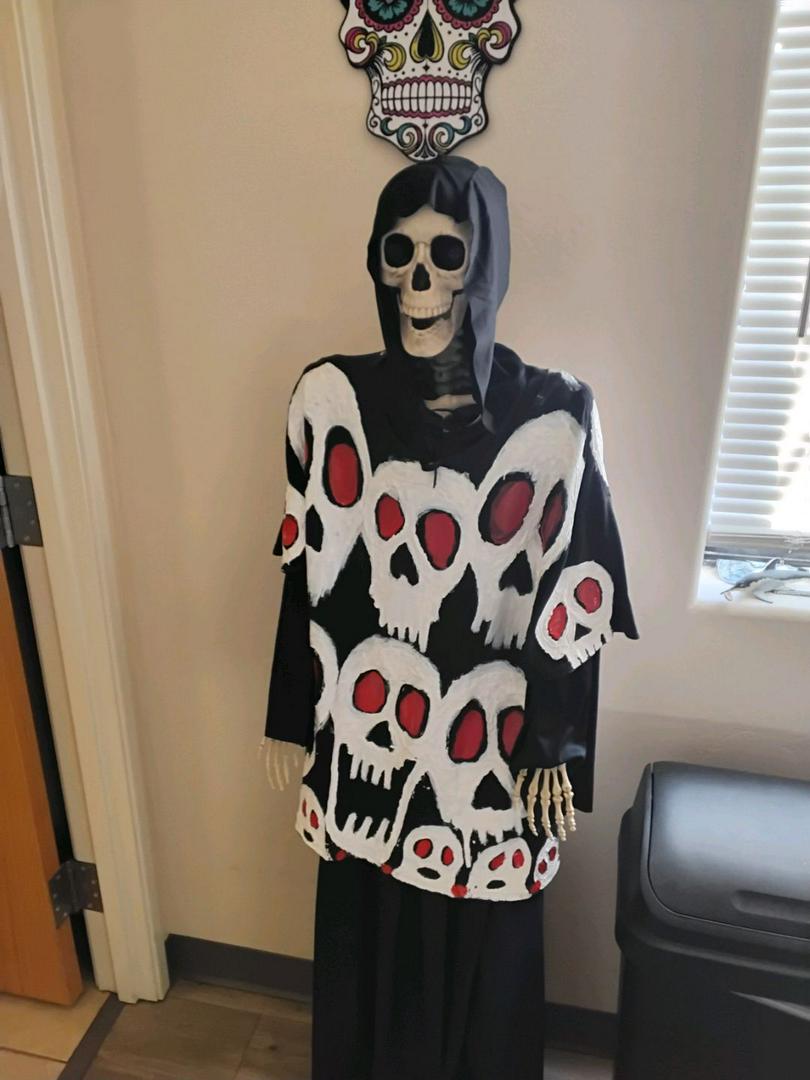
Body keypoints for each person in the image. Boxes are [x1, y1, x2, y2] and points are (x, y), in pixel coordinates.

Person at [262, 155, 638, 1080]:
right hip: (368, 731)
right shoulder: (330, 402)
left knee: (485, 958)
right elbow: (306, 567)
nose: (418, 282)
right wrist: (289, 713)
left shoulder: (556, 418)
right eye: (398, 253)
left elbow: (576, 596)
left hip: (487, 750)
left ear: (489, 265)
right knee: (367, 935)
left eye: (448, 253)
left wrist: (555, 744)